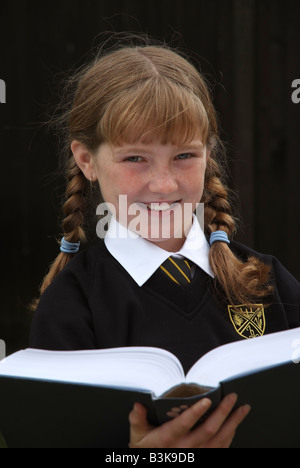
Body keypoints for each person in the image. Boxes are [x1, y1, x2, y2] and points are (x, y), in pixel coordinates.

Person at [29, 36, 300, 448]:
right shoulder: (71, 308)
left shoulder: (268, 282)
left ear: (208, 154)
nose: (164, 184)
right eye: (135, 158)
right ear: (87, 161)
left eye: (184, 156)